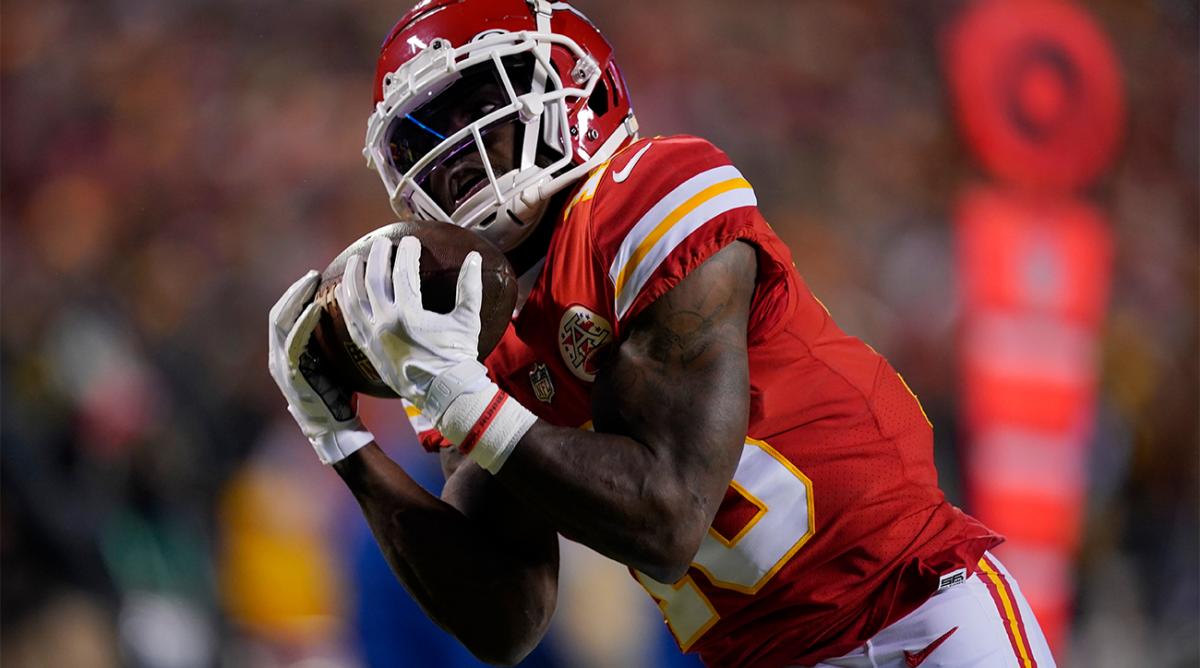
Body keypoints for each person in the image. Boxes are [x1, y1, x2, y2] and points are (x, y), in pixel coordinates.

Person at [267, 1, 1057, 666]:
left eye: (474, 102)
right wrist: (342, 442)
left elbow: (668, 515)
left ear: (569, 90)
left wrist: (462, 397)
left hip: (917, 614)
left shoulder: (650, 195)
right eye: (421, 134)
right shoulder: (470, 334)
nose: (451, 150)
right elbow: (506, 618)